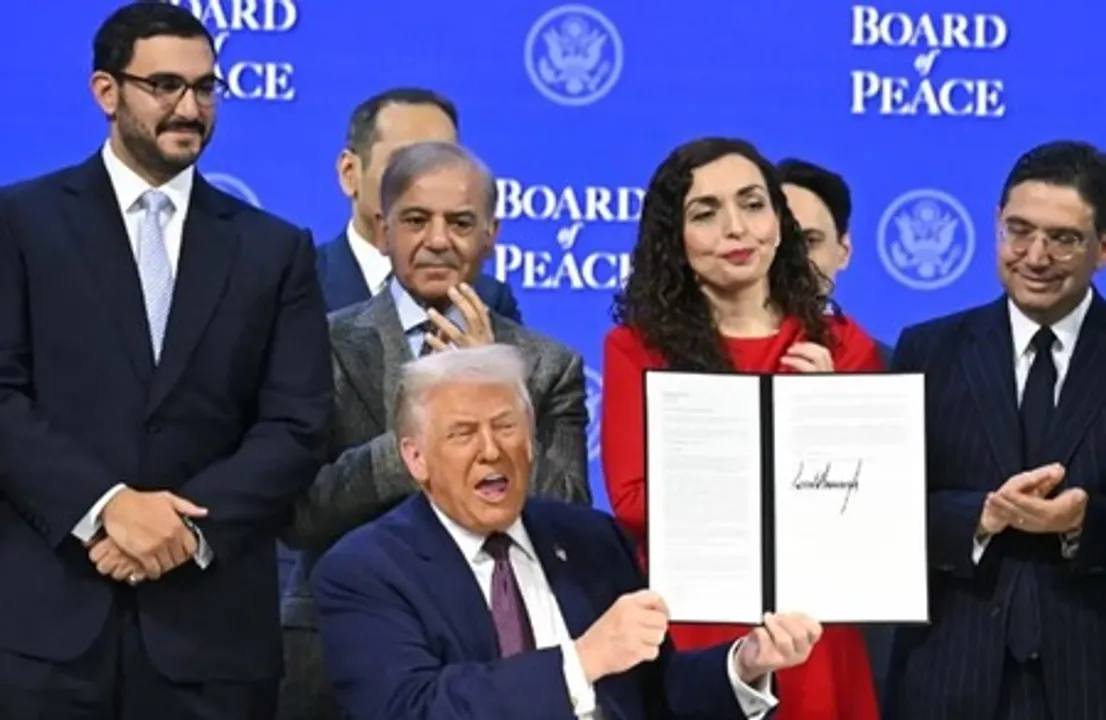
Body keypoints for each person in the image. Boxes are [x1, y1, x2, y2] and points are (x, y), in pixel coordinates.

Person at [0, 3, 332, 718]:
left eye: (206, 88)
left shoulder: (274, 249)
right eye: (166, 86)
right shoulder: (19, 223)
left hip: (211, 642)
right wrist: (107, 508)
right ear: (106, 92)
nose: (191, 108)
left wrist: (185, 528)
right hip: (41, 634)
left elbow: (296, 425)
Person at [311, 344, 825, 719]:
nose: (491, 450)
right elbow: (413, 709)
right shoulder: (364, 570)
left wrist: (745, 662)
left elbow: (656, 693)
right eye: (463, 433)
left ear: (532, 441)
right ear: (415, 457)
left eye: (506, 426)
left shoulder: (591, 540)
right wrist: (581, 660)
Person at [277, 141, 590, 719]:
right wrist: (427, 427)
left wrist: (495, 381)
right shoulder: (317, 346)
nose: (438, 240)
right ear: (382, 229)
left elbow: (567, 511)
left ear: (492, 233)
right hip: (337, 658)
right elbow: (299, 512)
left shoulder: (549, 366)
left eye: (461, 222)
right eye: (417, 220)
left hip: (500, 648)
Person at [601, 137, 881, 720]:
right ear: (672, 237)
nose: (737, 229)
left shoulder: (840, 346)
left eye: (754, 204)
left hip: (811, 630)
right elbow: (633, 502)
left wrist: (825, 416)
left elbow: (863, 508)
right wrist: (786, 448)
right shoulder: (636, 348)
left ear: (779, 220)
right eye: (705, 213)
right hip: (694, 626)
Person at [884, 140, 1106, 720]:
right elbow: (880, 515)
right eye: (1019, 231)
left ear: (1103, 248)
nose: (1035, 255)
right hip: (949, 679)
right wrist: (980, 517)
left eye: (1063, 238)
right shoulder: (927, 349)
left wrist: (1084, 523)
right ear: (995, 228)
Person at [315, 87, 520, 319]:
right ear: (349, 173)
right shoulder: (300, 284)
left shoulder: (486, 298)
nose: (426, 183)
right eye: (404, 163)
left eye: (442, 163)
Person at [777, 157, 892, 363]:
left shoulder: (886, 367)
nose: (793, 258)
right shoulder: (704, 352)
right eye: (778, 241)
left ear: (844, 251)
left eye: (810, 241)